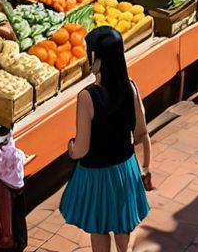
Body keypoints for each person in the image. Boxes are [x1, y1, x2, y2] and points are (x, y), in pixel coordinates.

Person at [61, 26, 151, 252]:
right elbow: (140, 132)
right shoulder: (130, 87)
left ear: (96, 58)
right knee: (123, 226)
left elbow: (81, 149)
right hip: (124, 168)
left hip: (96, 175)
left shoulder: (87, 96)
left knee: (99, 228)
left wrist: (70, 148)